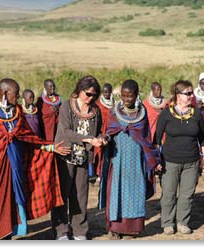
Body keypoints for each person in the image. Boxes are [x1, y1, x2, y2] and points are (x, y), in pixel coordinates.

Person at [0, 78, 70, 240]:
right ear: (5, 93)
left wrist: (51, 147)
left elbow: (28, 138)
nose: (18, 97)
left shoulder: (17, 112)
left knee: (12, 205)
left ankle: (7, 236)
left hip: (15, 166)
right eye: (16, 94)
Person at [99, 79, 161, 239]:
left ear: (136, 95)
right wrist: (105, 138)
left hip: (136, 160)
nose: (126, 99)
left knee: (135, 192)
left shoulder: (143, 113)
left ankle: (132, 229)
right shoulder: (114, 111)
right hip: (118, 159)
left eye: (130, 96)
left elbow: (146, 137)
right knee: (116, 192)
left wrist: (150, 157)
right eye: (124, 96)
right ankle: (115, 229)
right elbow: (110, 131)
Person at [51, 75, 106, 240]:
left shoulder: (95, 111)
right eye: (88, 94)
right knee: (62, 193)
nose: (90, 98)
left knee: (80, 194)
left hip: (83, 158)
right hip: (65, 154)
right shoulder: (67, 106)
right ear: (79, 90)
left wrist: (102, 139)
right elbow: (66, 131)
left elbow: (99, 131)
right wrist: (88, 139)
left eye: (94, 95)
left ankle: (80, 230)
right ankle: (61, 231)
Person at [155, 80, 204, 235]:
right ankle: (168, 223)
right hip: (170, 161)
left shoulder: (197, 113)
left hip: (192, 161)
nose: (191, 96)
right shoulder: (166, 114)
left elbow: (203, 138)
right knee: (169, 194)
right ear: (178, 95)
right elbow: (157, 139)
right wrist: (157, 160)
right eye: (188, 93)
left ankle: (183, 222)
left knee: (187, 195)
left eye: (192, 93)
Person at [93, 83, 114, 182]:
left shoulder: (115, 104)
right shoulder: (97, 104)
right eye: (104, 92)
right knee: (99, 151)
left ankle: (109, 172)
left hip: (111, 131)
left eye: (108, 92)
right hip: (100, 131)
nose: (106, 94)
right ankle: (98, 173)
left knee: (110, 152)